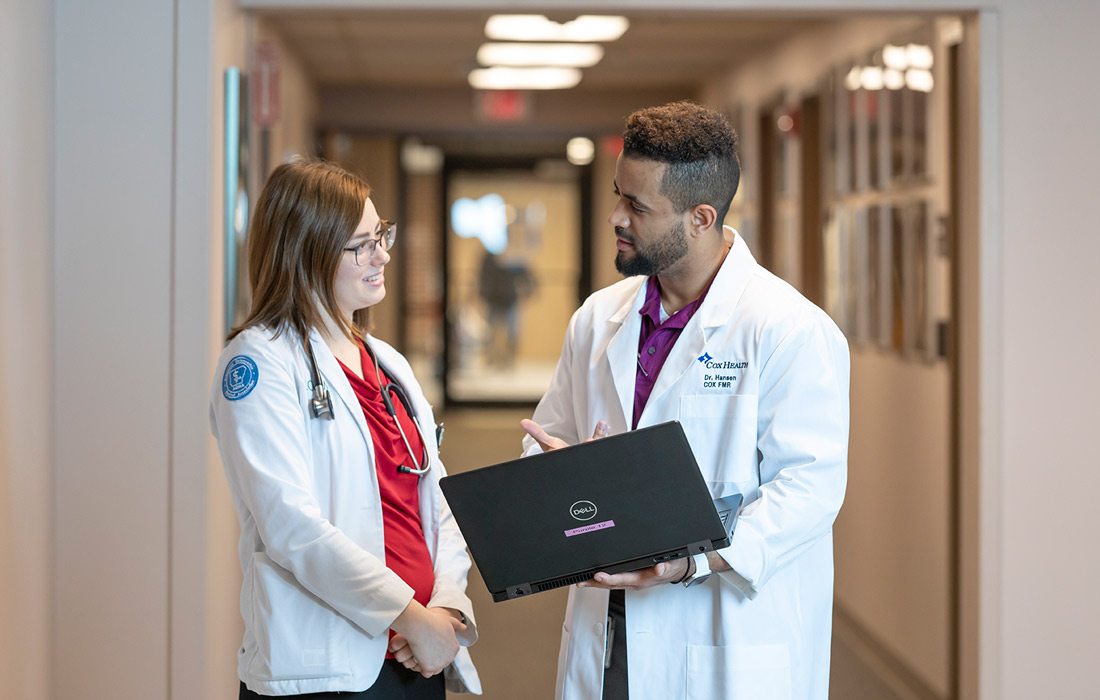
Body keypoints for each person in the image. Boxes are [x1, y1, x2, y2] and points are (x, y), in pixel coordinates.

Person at [521, 101, 849, 700]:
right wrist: (559, 472)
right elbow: (548, 435)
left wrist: (689, 562)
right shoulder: (599, 319)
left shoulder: (788, 329)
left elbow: (809, 488)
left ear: (700, 217)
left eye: (637, 206)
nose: (616, 217)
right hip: (610, 633)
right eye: (619, 194)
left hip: (724, 638)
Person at [211, 158, 481, 699]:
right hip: (324, 670)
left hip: (418, 656)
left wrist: (445, 607)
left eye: (381, 234)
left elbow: (437, 501)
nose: (383, 254)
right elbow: (292, 527)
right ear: (307, 252)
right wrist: (407, 615)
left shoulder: (388, 363)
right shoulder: (258, 364)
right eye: (360, 244)